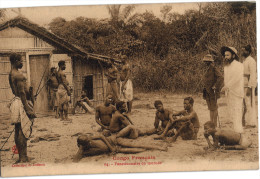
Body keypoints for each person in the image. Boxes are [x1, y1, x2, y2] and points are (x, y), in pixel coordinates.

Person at [9, 53, 37, 163]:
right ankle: (23, 157)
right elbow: (21, 93)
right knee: (23, 130)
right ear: (16, 61)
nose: (22, 63)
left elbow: (16, 91)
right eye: (21, 61)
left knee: (17, 129)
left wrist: (29, 91)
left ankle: (21, 156)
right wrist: (28, 109)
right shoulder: (19, 75)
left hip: (16, 101)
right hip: (21, 103)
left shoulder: (11, 73)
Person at [73, 132, 168, 162]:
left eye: (89, 141)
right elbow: (75, 160)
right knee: (134, 151)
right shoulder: (84, 150)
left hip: (113, 141)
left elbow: (101, 136)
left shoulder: (89, 138)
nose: (89, 142)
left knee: (135, 145)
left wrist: (111, 148)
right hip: (114, 149)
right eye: (87, 142)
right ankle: (154, 148)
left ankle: (159, 148)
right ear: (82, 145)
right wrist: (81, 148)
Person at [220, 46, 244, 133]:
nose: (226, 57)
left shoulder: (239, 66)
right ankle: (233, 134)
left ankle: (239, 132)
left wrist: (227, 86)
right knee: (231, 113)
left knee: (237, 112)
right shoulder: (226, 67)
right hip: (229, 93)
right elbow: (226, 80)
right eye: (225, 55)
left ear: (233, 56)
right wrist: (225, 87)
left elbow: (236, 78)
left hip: (237, 93)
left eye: (228, 55)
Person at [202, 54, 223, 127]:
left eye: (207, 61)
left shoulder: (214, 68)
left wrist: (215, 86)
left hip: (213, 91)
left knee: (214, 107)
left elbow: (221, 77)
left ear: (210, 62)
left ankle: (215, 124)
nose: (205, 62)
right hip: (207, 91)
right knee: (210, 108)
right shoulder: (206, 69)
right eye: (205, 61)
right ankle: (211, 123)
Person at [241, 45, 257, 128]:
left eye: (244, 51)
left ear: (248, 52)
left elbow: (253, 75)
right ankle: (246, 121)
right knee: (245, 103)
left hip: (248, 86)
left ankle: (252, 123)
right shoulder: (244, 61)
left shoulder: (251, 61)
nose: (242, 52)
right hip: (243, 85)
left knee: (249, 103)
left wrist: (250, 88)